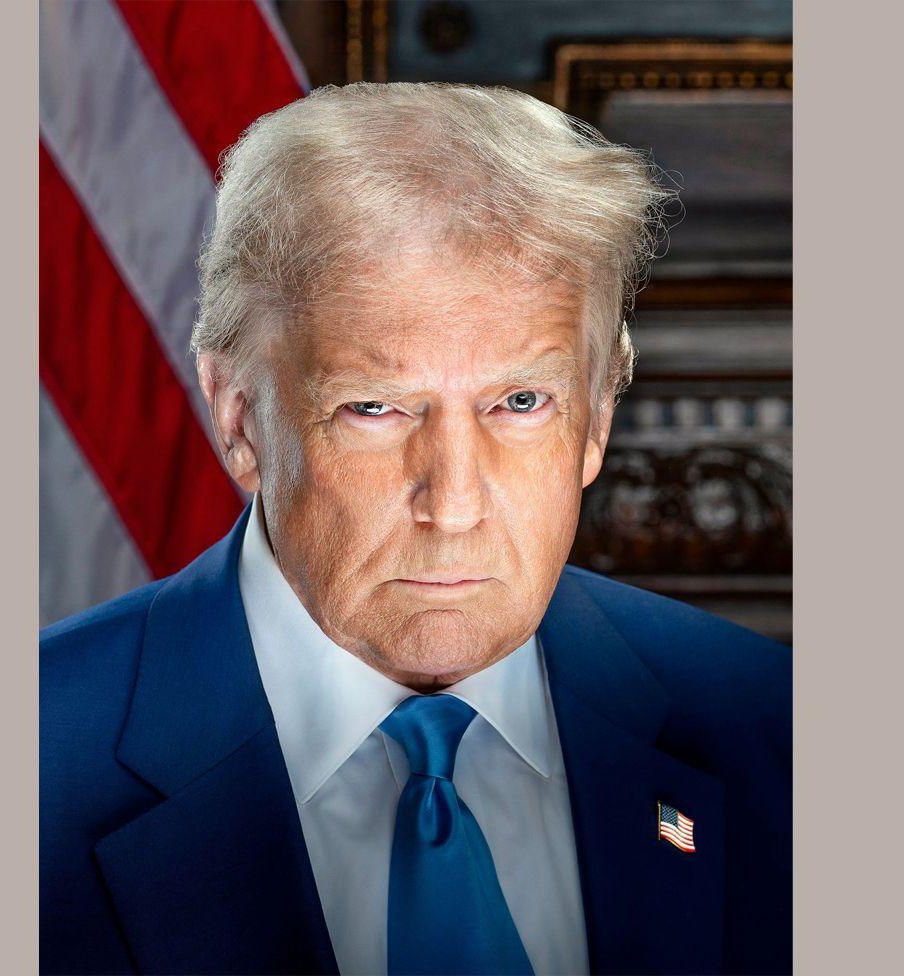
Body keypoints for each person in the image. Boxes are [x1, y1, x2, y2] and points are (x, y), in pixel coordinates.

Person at [40, 82, 791, 976]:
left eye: (520, 401)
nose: (456, 504)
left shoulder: (784, 736)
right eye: (376, 407)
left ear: (595, 420)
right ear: (239, 420)